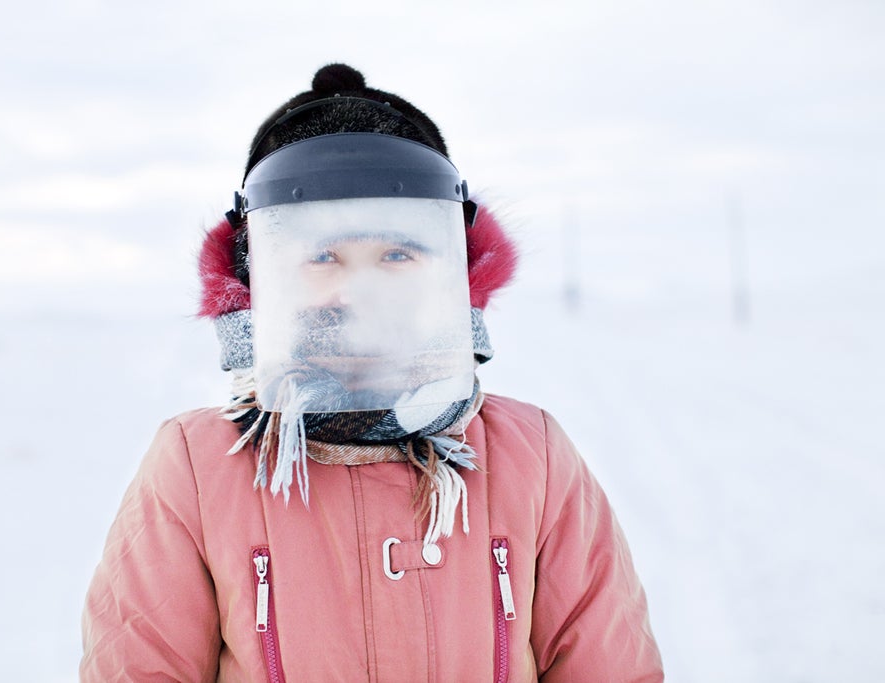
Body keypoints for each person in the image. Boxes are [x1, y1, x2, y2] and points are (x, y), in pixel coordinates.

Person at [81, 63, 664, 682]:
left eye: (396, 253)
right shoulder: (198, 466)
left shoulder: (532, 456)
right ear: (258, 275)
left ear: (455, 270)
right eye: (323, 255)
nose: (359, 290)